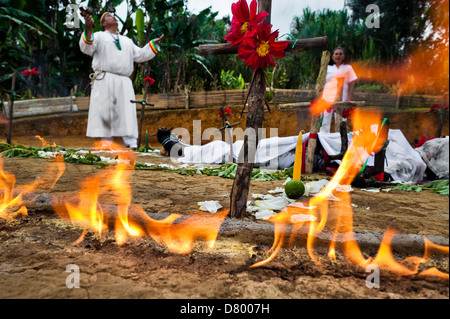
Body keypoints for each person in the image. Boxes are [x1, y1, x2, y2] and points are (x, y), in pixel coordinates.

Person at [80, 12, 164, 149]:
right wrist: (88, 29)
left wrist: (152, 44)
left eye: (113, 15)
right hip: (104, 78)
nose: (113, 16)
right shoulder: (99, 37)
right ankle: (106, 143)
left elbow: (141, 55)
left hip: (124, 81)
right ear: (103, 24)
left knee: (127, 111)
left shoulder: (127, 41)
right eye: (108, 16)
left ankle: (131, 143)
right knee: (105, 111)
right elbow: (87, 48)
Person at [319, 47, 358, 133]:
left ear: (344, 56)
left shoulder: (348, 68)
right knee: (325, 122)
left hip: (342, 99)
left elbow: (352, 84)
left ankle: (340, 141)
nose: (338, 56)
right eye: (336, 54)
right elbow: (322, 84)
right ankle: (323, 141)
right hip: (327, 99)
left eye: (341, 54)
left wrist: (349, 98)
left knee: (341, 122)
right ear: (332, 56)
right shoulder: (328, 68)